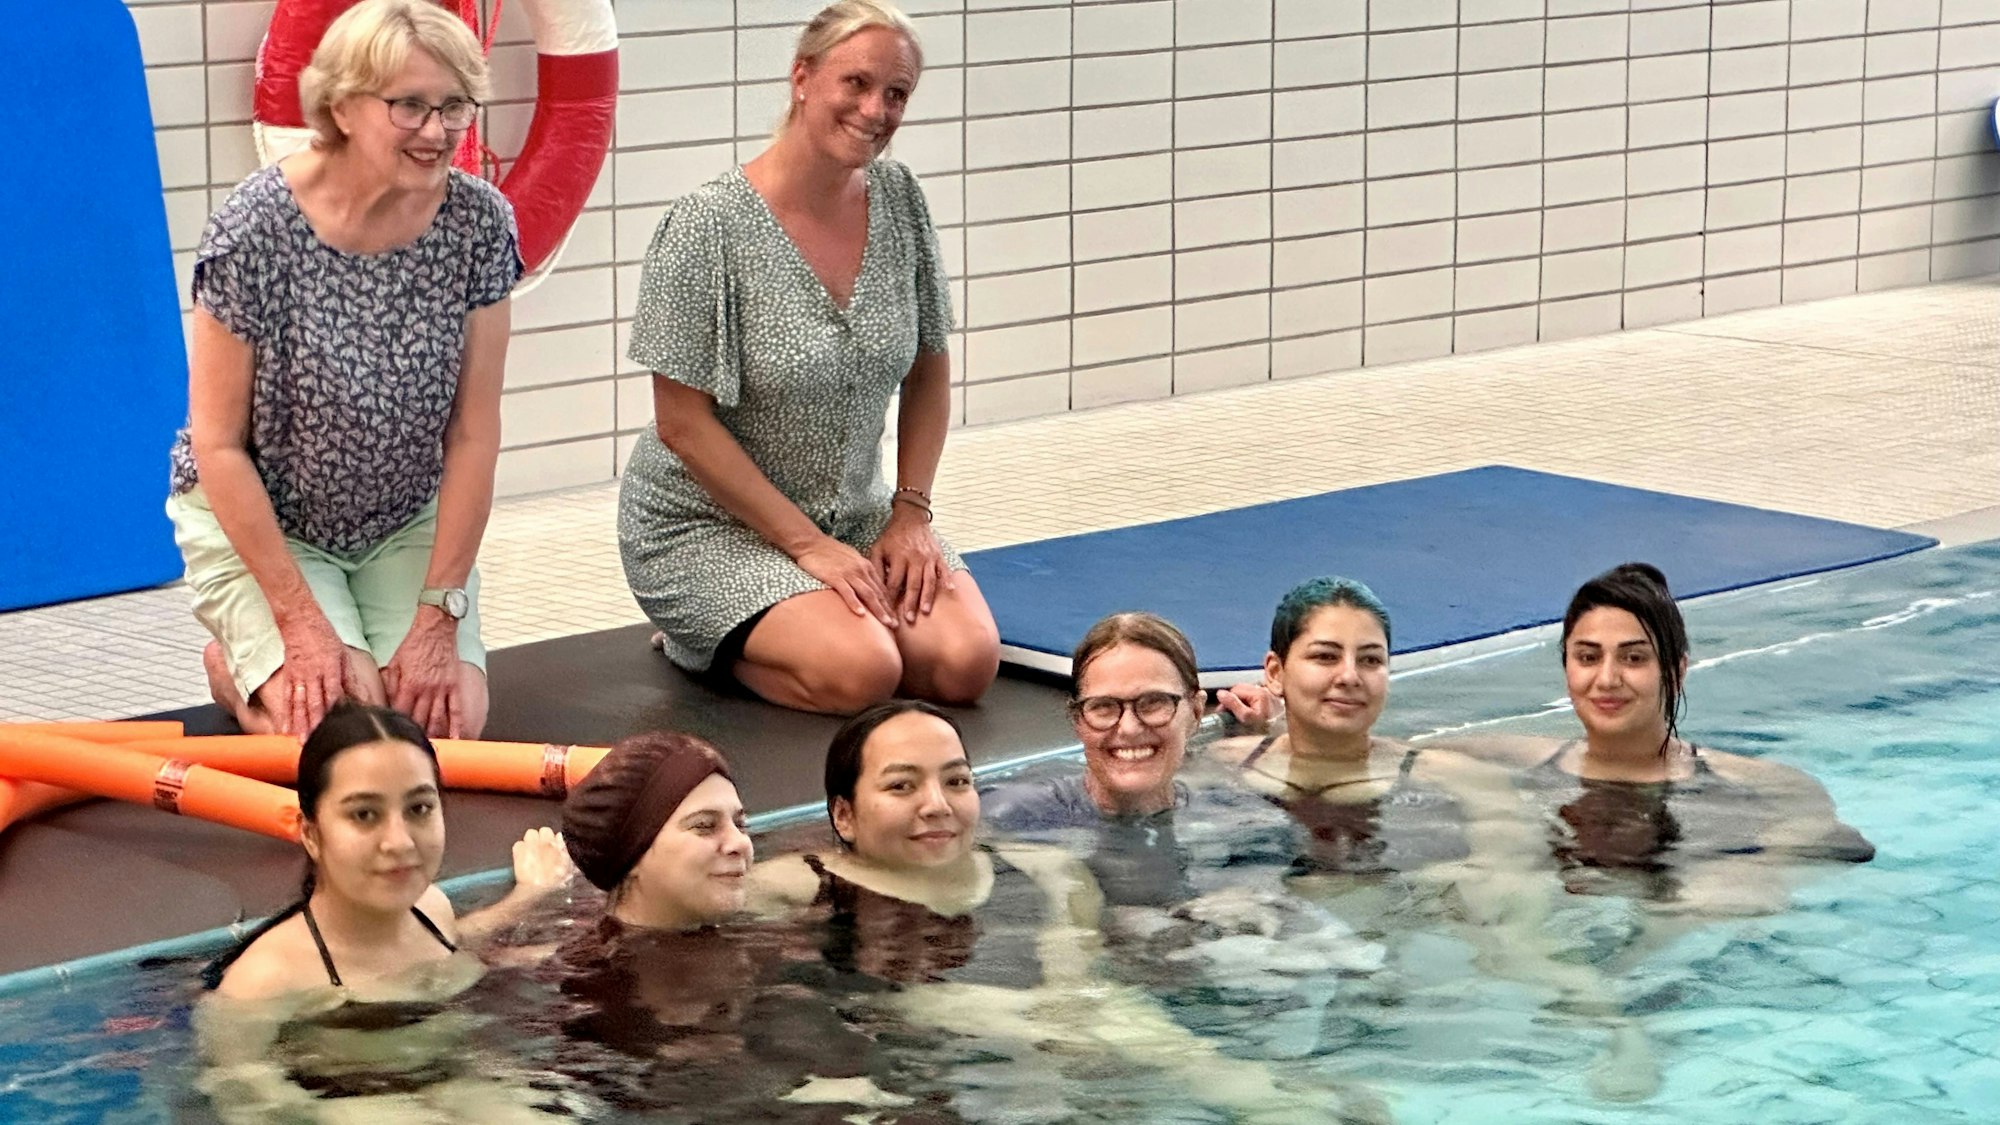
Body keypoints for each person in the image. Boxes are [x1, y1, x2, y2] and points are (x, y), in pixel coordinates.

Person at [618, 0, 998, 715]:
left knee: (964, 662)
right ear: (802, 78)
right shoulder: (707, 226)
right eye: (854, 83)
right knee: (862, 672)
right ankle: (700, 640)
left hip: (856, 518)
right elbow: (681, 424)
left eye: (896, 94)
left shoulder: (901, 198)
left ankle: (806, 621)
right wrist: (806, 547)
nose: (875, 109)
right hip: (708, 524)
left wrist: (909, 515)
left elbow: (929, 370)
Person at [751, 701, 1386, 1122]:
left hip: (1038, 1060)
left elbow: (1080, 985)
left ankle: (1262, 1095)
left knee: (1147, 1040)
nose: (937, 804)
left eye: (957, 780)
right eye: (901, 785)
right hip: (898, 1070)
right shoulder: (805, 885)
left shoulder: (1042, 868)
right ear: (844, 815)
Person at [167, 0, 521, 739]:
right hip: (272, 519)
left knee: (448, 725)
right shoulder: (256, 228)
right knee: (347, 729)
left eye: (455, 105)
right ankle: (237, 671)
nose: (438, 131)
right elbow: (218, 444)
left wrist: (437, 616)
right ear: (342, 106)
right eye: (410, 106)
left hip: (400, 515)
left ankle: (340, 645)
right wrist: (299, 620)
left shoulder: (479, 223)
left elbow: (474, 434)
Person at [195, 702, 572, 1119]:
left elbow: (460, 938)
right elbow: (243, 1096)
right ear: (312, 834)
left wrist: (530, 894)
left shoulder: (430, 909)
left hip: (450, 1083)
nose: (400, 842)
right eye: (364, 814)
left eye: (419, 809)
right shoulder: (264, 980)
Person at [1449, 562, 1875, 909]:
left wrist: (1749, 873)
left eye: (1634, 658)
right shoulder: (1504, 757)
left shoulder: (1765, 786)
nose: (1607, 679)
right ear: (1567, 668)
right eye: (1587, 657)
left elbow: (1833, 846)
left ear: (1676, 672)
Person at [981, 611, 1289, 907]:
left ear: (1195, 713)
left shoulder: (1242, 820)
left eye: (1154, 702)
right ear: (1077, 721)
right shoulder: (1012, 818)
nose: (1128, 728)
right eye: (1103, 707)